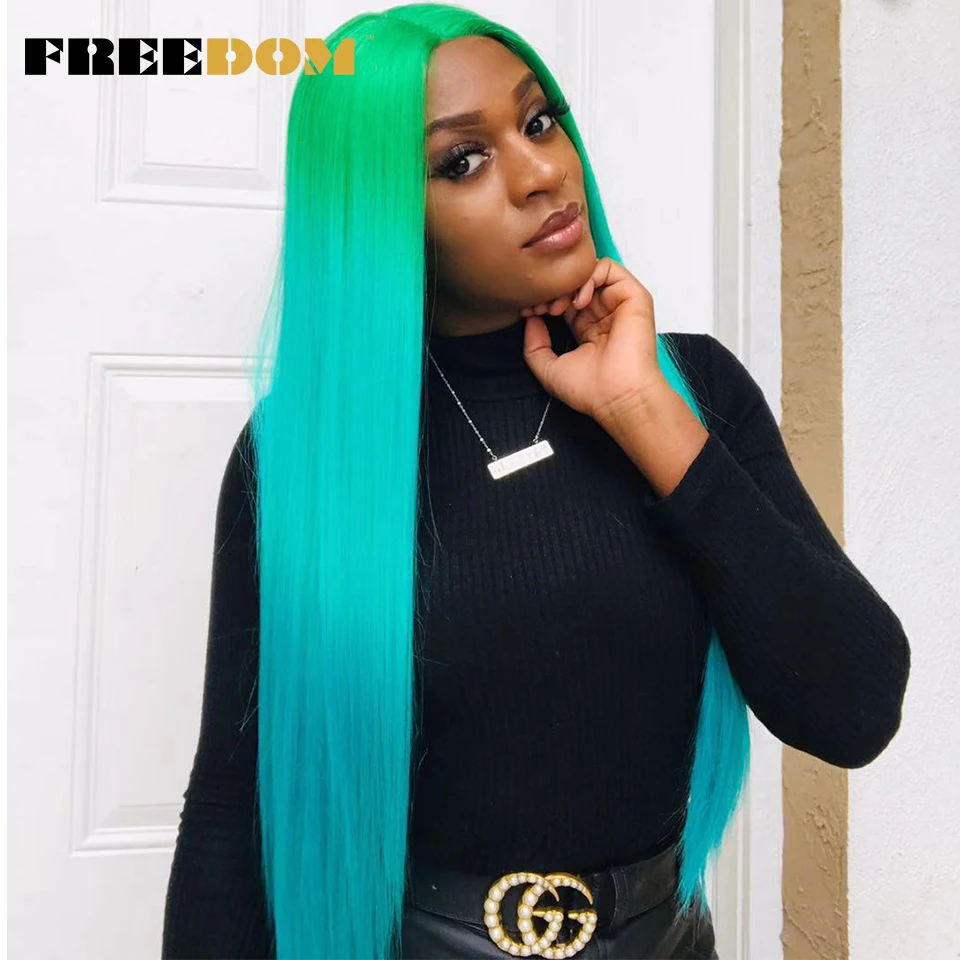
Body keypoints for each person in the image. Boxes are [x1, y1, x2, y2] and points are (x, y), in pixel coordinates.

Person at [161, 5, 911, 958]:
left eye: (539, 121)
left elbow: (854, 709)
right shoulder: (304, 459)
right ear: (378, 209)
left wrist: (646, 414)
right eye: (463, 161)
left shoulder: (696, 392)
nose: (542, 172)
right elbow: (230, 805)